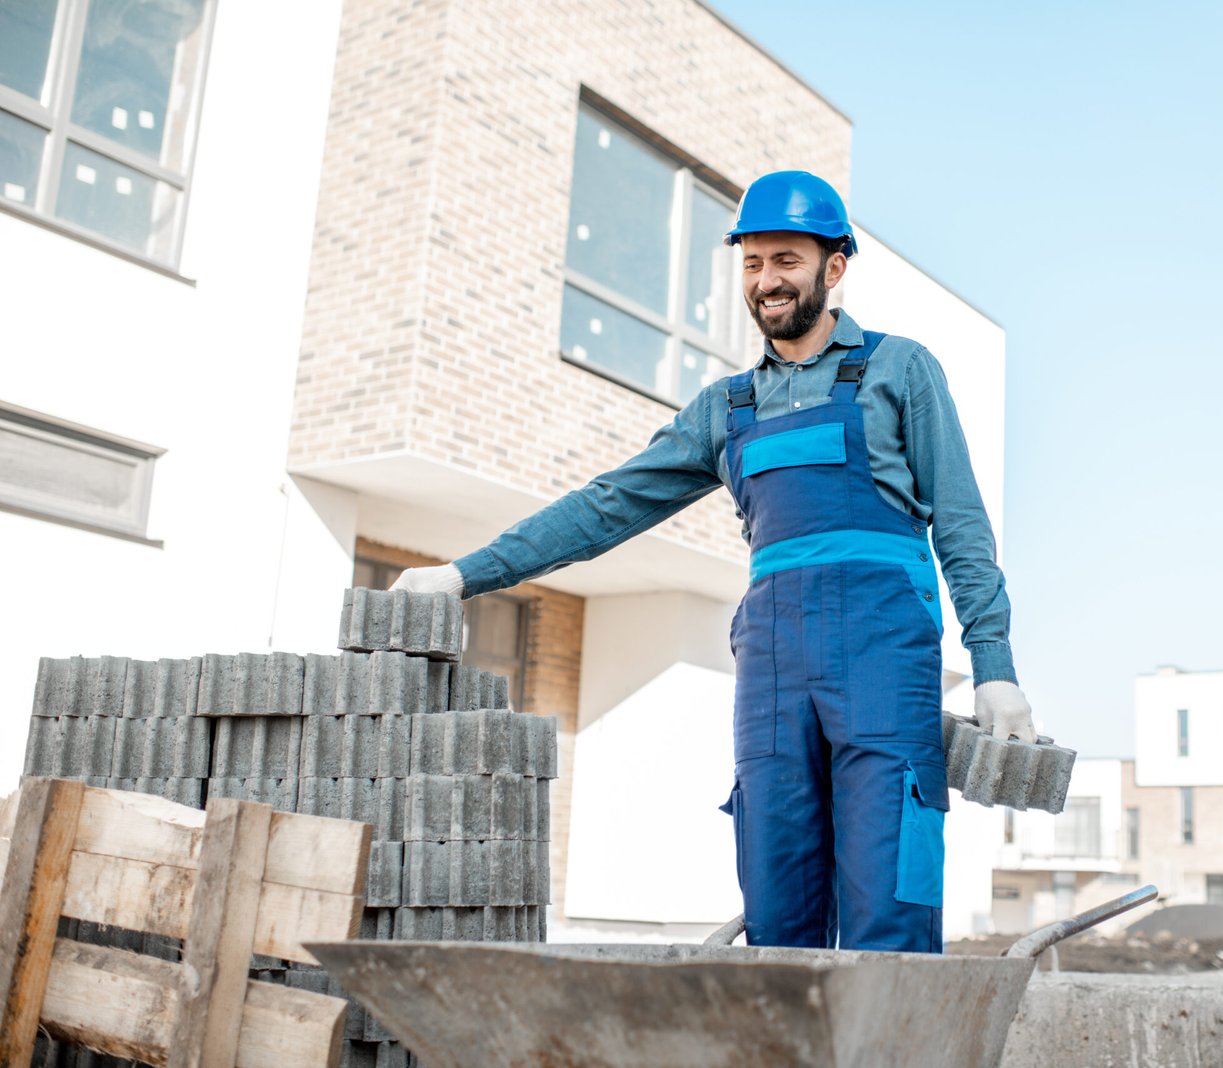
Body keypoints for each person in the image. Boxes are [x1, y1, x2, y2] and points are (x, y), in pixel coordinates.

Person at [391, 170, 1037, 953]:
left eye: (787, 260)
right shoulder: (723, 410)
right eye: (753, 262)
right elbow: (605, 507)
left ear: (834, 267)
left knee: (888, 901)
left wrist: (993, 664)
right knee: (775, 901)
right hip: (773, 673)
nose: (768, 280)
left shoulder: (900, 371)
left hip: (882, 667)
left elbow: (962, 524)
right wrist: (465, 575)